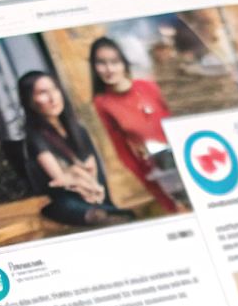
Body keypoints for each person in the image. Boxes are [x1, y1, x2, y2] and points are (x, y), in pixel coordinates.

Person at [17, 71, 134, 227]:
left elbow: (94, 170)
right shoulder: (36, 137)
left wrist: (93, 188)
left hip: (95, 195)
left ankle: (105, 210)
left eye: (54, 89)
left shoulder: (77, 130)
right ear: (29, 101)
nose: (53, 98)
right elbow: (60, 179)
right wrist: (82, 182)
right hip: (67, 200)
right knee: (69, 206)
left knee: (121, 215)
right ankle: (102, 212)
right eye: (43, 93)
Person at [88, 36, 187, 213]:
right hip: (162, 172)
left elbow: (180, 122)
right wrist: (160, 193)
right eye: (101, 63)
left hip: (186, 156)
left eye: (114, 61)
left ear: (124, 62)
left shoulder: (149, 86)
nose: (109, 69)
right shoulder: (102, 103)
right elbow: (123, 151)